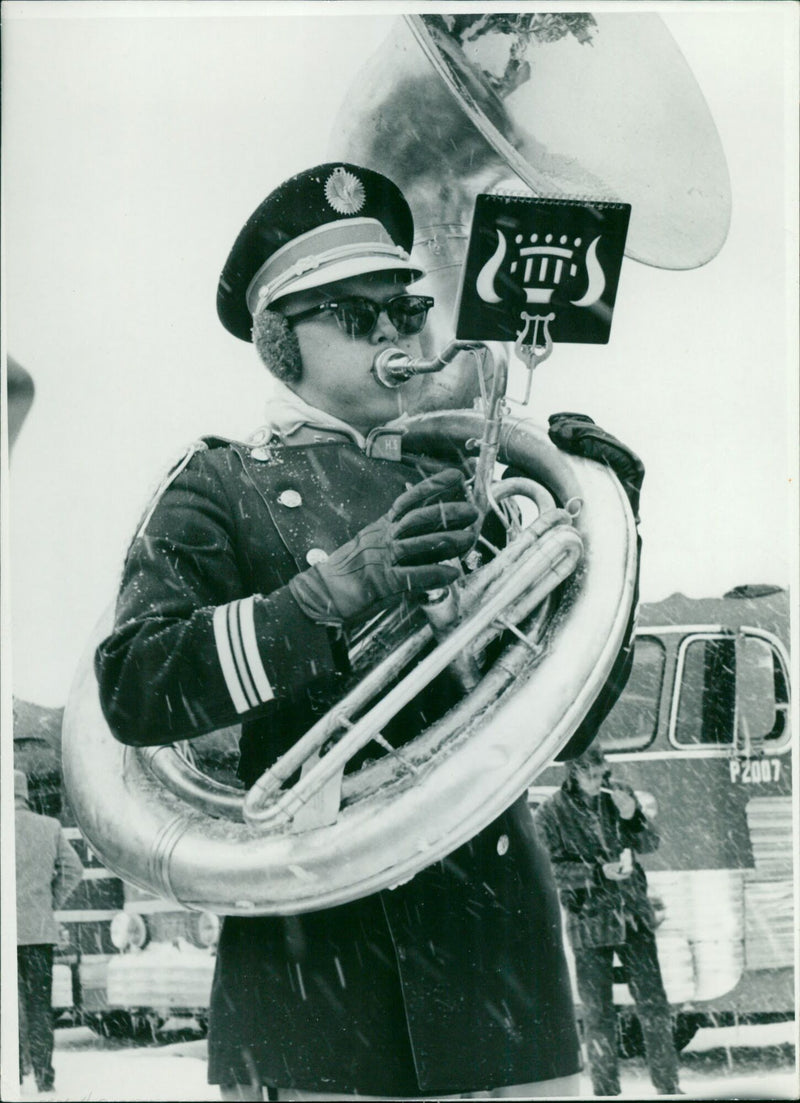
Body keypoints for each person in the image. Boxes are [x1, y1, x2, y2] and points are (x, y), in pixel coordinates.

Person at [95, 162, 643, 1101]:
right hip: (319, 971)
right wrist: (334, 590)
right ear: (283, 343)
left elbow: (566, 722)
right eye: (357, 315)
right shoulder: (221, 483)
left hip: (498, 954)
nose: (397, 331)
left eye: (407, 306)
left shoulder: (479, 477)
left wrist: (617, 536)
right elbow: (135, 687)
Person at [534, 743, 682, 1097]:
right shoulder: (551, 813)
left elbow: (650, 843)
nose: (600, 780)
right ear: (574, 773)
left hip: (633, 917)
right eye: (592, 774)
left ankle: (669, 1086)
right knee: (598, 1015)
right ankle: (605, 1091)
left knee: (655, 1006)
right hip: (589, 924)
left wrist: (632, 816)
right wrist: (597, 873)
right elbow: (548, 871)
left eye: (604, 774)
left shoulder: (618, 797)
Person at [15, 769, 84, 1095]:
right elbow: (74, 869)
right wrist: (48, 900)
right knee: (39, 1006)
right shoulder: (49, 827)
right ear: (26, 793)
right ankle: (45, 1078)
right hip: (39, 932)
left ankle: (11, 1073)